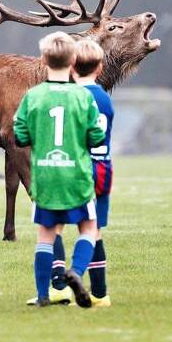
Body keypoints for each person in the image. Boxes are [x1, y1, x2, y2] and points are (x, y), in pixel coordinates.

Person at [13, 32, 105, 308]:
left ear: (43, 59)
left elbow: (19, 135)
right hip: (76, 175)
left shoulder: (33, 96)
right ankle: (75, 272)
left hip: (44, 176)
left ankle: (43, 294)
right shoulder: (82, 96)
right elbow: (96, 136)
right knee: (88, 228)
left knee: (46, 235)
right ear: (74, 60)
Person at [46, 40, 114, 308]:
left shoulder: (73, 97)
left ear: (72, 67)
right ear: (100, 68)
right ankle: (100, 293)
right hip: (103, 167)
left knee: (56, 225)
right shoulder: (105, 98)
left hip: (77, 168)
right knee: (94, 230)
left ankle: (59, 286)